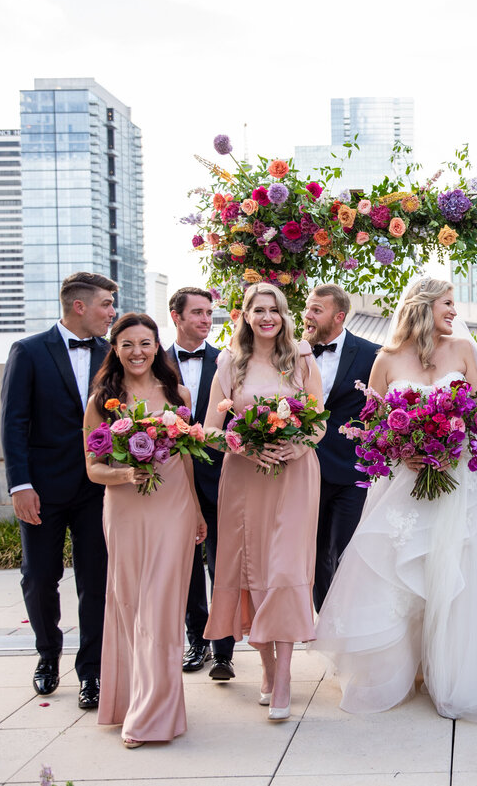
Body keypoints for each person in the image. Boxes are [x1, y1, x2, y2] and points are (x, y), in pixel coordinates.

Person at [313, 277, 477, 721]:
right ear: (424, 306)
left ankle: (448, 672)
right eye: (447, 303)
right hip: (405, 485)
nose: (454, 313)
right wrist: (404, 449)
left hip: (458, 485)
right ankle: (400, 673)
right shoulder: (385, 360)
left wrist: (454, 452)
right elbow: (374, 430)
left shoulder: (464, 352)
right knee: (400, 578)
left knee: (453, 577)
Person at [202, 283, 324, 721]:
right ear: (246, 315)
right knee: (254, 572)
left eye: (274, 309)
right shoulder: (228, 363)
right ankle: (268, 670)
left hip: (294, 475)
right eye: (258, 309)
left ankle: (286, 677)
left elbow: (319, 422)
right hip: (245, 477)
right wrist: (245, 446)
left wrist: (297, 446)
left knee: (287, 571)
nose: (267, 316)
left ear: (284, 314)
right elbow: (209, 430)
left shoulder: (302, 357)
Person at [84, 313, 207, 748]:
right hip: (125, 509)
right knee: (131, 607)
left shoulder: (178, 394)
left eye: (146, 343)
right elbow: (93, 467)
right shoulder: (104, 400)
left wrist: (194, 508)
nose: (138, 352)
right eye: (128, 344)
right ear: (115, 349)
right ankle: (134, 700)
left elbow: (188, 456)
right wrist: (124, 476)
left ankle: (150, 716)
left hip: (173, 507)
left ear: (158, 346)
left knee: (161, 611)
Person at [1, 271, 117, 709]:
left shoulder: (114, 355)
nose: (111, 313)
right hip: (42, 488)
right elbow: (13, 422)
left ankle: (92, 673)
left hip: (97, 488)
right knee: (38, 578)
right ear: (79, 306)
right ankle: (47, 655)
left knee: (97, 581)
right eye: (106, 305)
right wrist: (21, 484)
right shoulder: (28, 351)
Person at [166, 287, 236, 681]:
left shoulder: (227, 362)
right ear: (175, 316)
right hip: (171, 485)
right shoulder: (152, 362)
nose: (207, 320)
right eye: (197, 313)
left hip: (217, 479)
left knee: (222, 565)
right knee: (188, 568)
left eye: (209, 313)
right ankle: (197, 641)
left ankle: (224, 651)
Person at [302, 283, 379, 612]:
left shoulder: (371, 354)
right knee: (315, 551)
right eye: (307, 308)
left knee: (347, 549)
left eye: (317, 310)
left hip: (351, 471)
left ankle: (352, 619)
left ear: (339, 316)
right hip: (306, 469)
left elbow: (377, 412)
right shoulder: (293, 352)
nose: (308, 315)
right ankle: (327, 623)